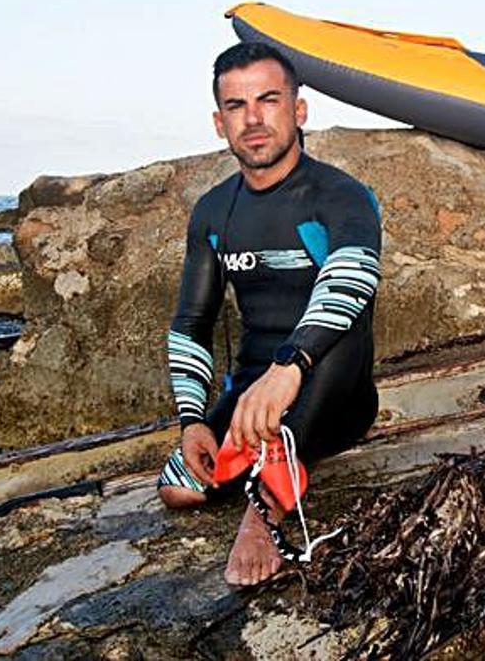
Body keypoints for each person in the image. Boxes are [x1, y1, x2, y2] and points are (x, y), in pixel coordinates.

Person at [156, 41, 381, 586]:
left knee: (345, 319)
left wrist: (290, 368)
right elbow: (192, 322)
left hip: (333, 389)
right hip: (255, 396)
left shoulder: (341, 196)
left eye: (268, 100)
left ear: (298, 111)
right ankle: (266, 449)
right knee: (179, 485)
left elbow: (353, 280)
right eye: (236, 106)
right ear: (219, 122)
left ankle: (266, 508)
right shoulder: (212, 210)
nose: (253, 119)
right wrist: (192, 423)